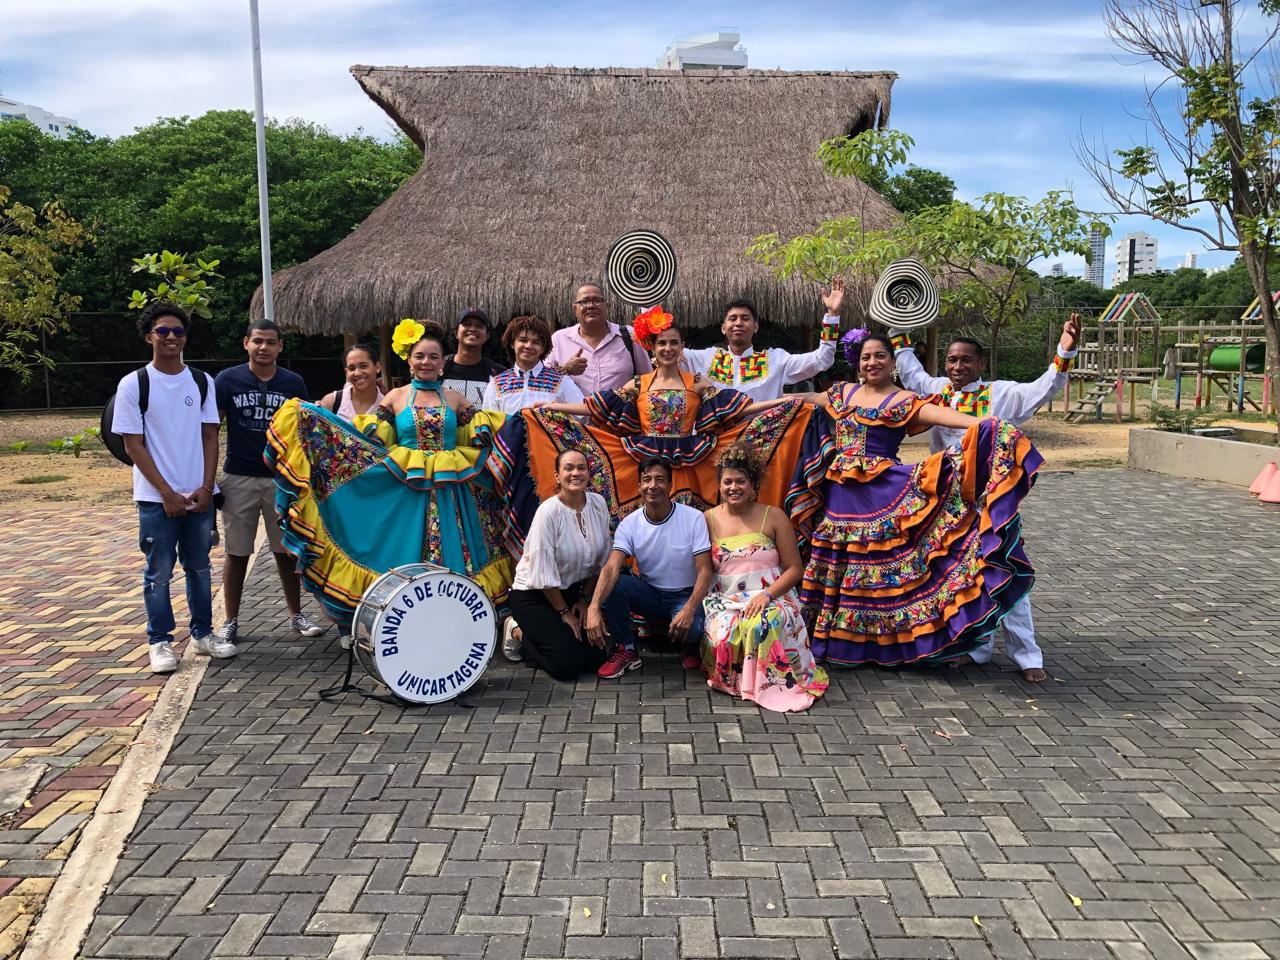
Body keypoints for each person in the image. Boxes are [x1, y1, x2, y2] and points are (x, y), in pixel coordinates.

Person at [787, 335, 1043, 667]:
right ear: (858, 363)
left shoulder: (906, 400)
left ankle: (911, 644)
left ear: (893, 362)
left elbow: (946, 417)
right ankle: (845, 644)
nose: (872, 362)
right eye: (866, 357)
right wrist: (735, 405)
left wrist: (990, 425)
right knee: (846, 567)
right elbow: (800, 398)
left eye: (880, 356)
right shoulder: (840, 394)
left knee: (902, 567)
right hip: (839, 495)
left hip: (884, 490)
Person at [489, 309, 813, 553]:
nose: (668, 348)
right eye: (662, 343)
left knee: (688, 524)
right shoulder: (640, 383)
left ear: (681, 347)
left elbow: (739, 407)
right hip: (643, 461)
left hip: (689, 463)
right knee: (646, 518)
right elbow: (595, 406)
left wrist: (781, 403)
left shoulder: (695, 382)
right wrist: (554, 409)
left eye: (674, 343)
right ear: (652, 347)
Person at [266, 319, 513, 628]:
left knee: (459, 556)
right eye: (420, 356)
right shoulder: (394, 397)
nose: (426, 362)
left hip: (454, 492)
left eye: (434, 357)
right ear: (409, 361)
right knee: (402, 555)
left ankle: (459, 624)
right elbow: (368, 441)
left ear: (442, 363)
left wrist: (532, 418)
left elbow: (495, 432)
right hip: (405, 491)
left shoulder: (454, 399)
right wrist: (314, 418)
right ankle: (409, 623)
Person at [890, 316, 1081, 682]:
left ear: (981, 364)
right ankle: (974, 647)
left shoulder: (1001, 394)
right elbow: (911, 370)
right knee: (958, 576)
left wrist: (1065, 349)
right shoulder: (938, 391)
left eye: (965, 360)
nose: (957, 366)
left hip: (990, 503)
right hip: (947, 504)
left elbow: (1045, 388)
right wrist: (897, 327)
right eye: (951, 360)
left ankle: (1027, 655)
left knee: (1003, 568)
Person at [112, 301, 222, 673]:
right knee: (158, 572)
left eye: (178, 332)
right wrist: (166, 492)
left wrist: (207, 488)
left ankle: (203, 634)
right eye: (163, 331)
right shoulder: (134, 384)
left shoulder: (202, 382)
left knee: (200, 567)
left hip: (197, 494)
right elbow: (132, 444)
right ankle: (159, 642)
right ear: (149, 337)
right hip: (155, 499)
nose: (171, 337)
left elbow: (210, 436)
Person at [212, 319, 325, 647]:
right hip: (239, 476)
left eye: (270, 342)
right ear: (246, 342)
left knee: (286, 552)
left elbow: (304, 431)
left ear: (280, 347)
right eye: (257, 341)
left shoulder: (293, 382)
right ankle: (230, 620)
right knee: (237, 552)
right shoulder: (228, 380)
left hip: (281, 478)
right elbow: (210, 429)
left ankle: (296, 614)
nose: (263, 347)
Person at [701, 443, 827, 712]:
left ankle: (773, 685)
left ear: (753, 485)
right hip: (726, 600)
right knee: (726, 634)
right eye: (727, 482)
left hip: (774, 596)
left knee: (762, 625)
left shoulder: (775, 516)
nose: (733, 488)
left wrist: (766, 595)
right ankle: (737, 682)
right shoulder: (707, 519)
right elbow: (703, 570)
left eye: (740, 482)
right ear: (719, 485)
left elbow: (795, 568)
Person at [586, 457, 714, 679]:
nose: (653, 485)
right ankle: (626, 649)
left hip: (686, 595)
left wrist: (689, 608)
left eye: (660, 480)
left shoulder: (693, 518)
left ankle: (690, 644)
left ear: (670, 485)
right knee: (616, 583)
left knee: (693, 628)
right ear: (639, 486)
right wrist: (593, 606)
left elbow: (705, 571)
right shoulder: (630, 523)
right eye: (647, 480)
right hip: (651, 594)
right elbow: (611, 567)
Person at [507, 449, 611, 681]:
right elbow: (543, 573)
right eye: (568, 468)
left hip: (571, 592)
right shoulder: (548, 512)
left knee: (596, 658)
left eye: (581, 467)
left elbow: (602, 558)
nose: (576, 473)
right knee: (566, 667)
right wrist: (565, 613)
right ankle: (517, 631)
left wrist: (584, 601)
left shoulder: (598, 504)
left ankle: (555, 635)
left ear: (589, 473)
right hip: (534, 595)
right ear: (557, 476)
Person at [682, 280, 844, 401]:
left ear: (756, 326)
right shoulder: (706, 359)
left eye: (745, 318)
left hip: (761, 444)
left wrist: (832, 315)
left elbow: (822, 359)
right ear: (724, 328)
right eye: (733, 319)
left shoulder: (775, 361)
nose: (738, 323)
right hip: (713, 444)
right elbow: (667, 354)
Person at [547, 282, 652, 395]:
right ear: (575, 309)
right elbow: (543, 382)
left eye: (597, 300)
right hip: (572, 412)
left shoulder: (629, 336)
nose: (591, 306)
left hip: (619, 412)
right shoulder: (559, 339)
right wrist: (566, 369)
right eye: (584, 302)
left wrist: (627, 393)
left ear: (606, 306)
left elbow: (646, 378)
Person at [480, 315, 585, 414]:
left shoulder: (561, 381)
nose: (528, 346)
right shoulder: (497, 384)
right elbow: (490, 423)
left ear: (542, 348)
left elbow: (584, 415)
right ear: (512, 344)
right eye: (523, 340)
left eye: (536, 342)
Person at [442, 308, 506, 406]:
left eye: (479, 326)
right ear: (456, 333)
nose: (472, 329)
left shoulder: (500, 375)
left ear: (487, 335)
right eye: (467, 324)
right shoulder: (439, 368)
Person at [318, 343, 385, 430]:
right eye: (352, 368)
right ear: (346, 372)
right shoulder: (332, 402)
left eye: (363, 366)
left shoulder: (387, 405)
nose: (357, 373)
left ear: (377, 367)